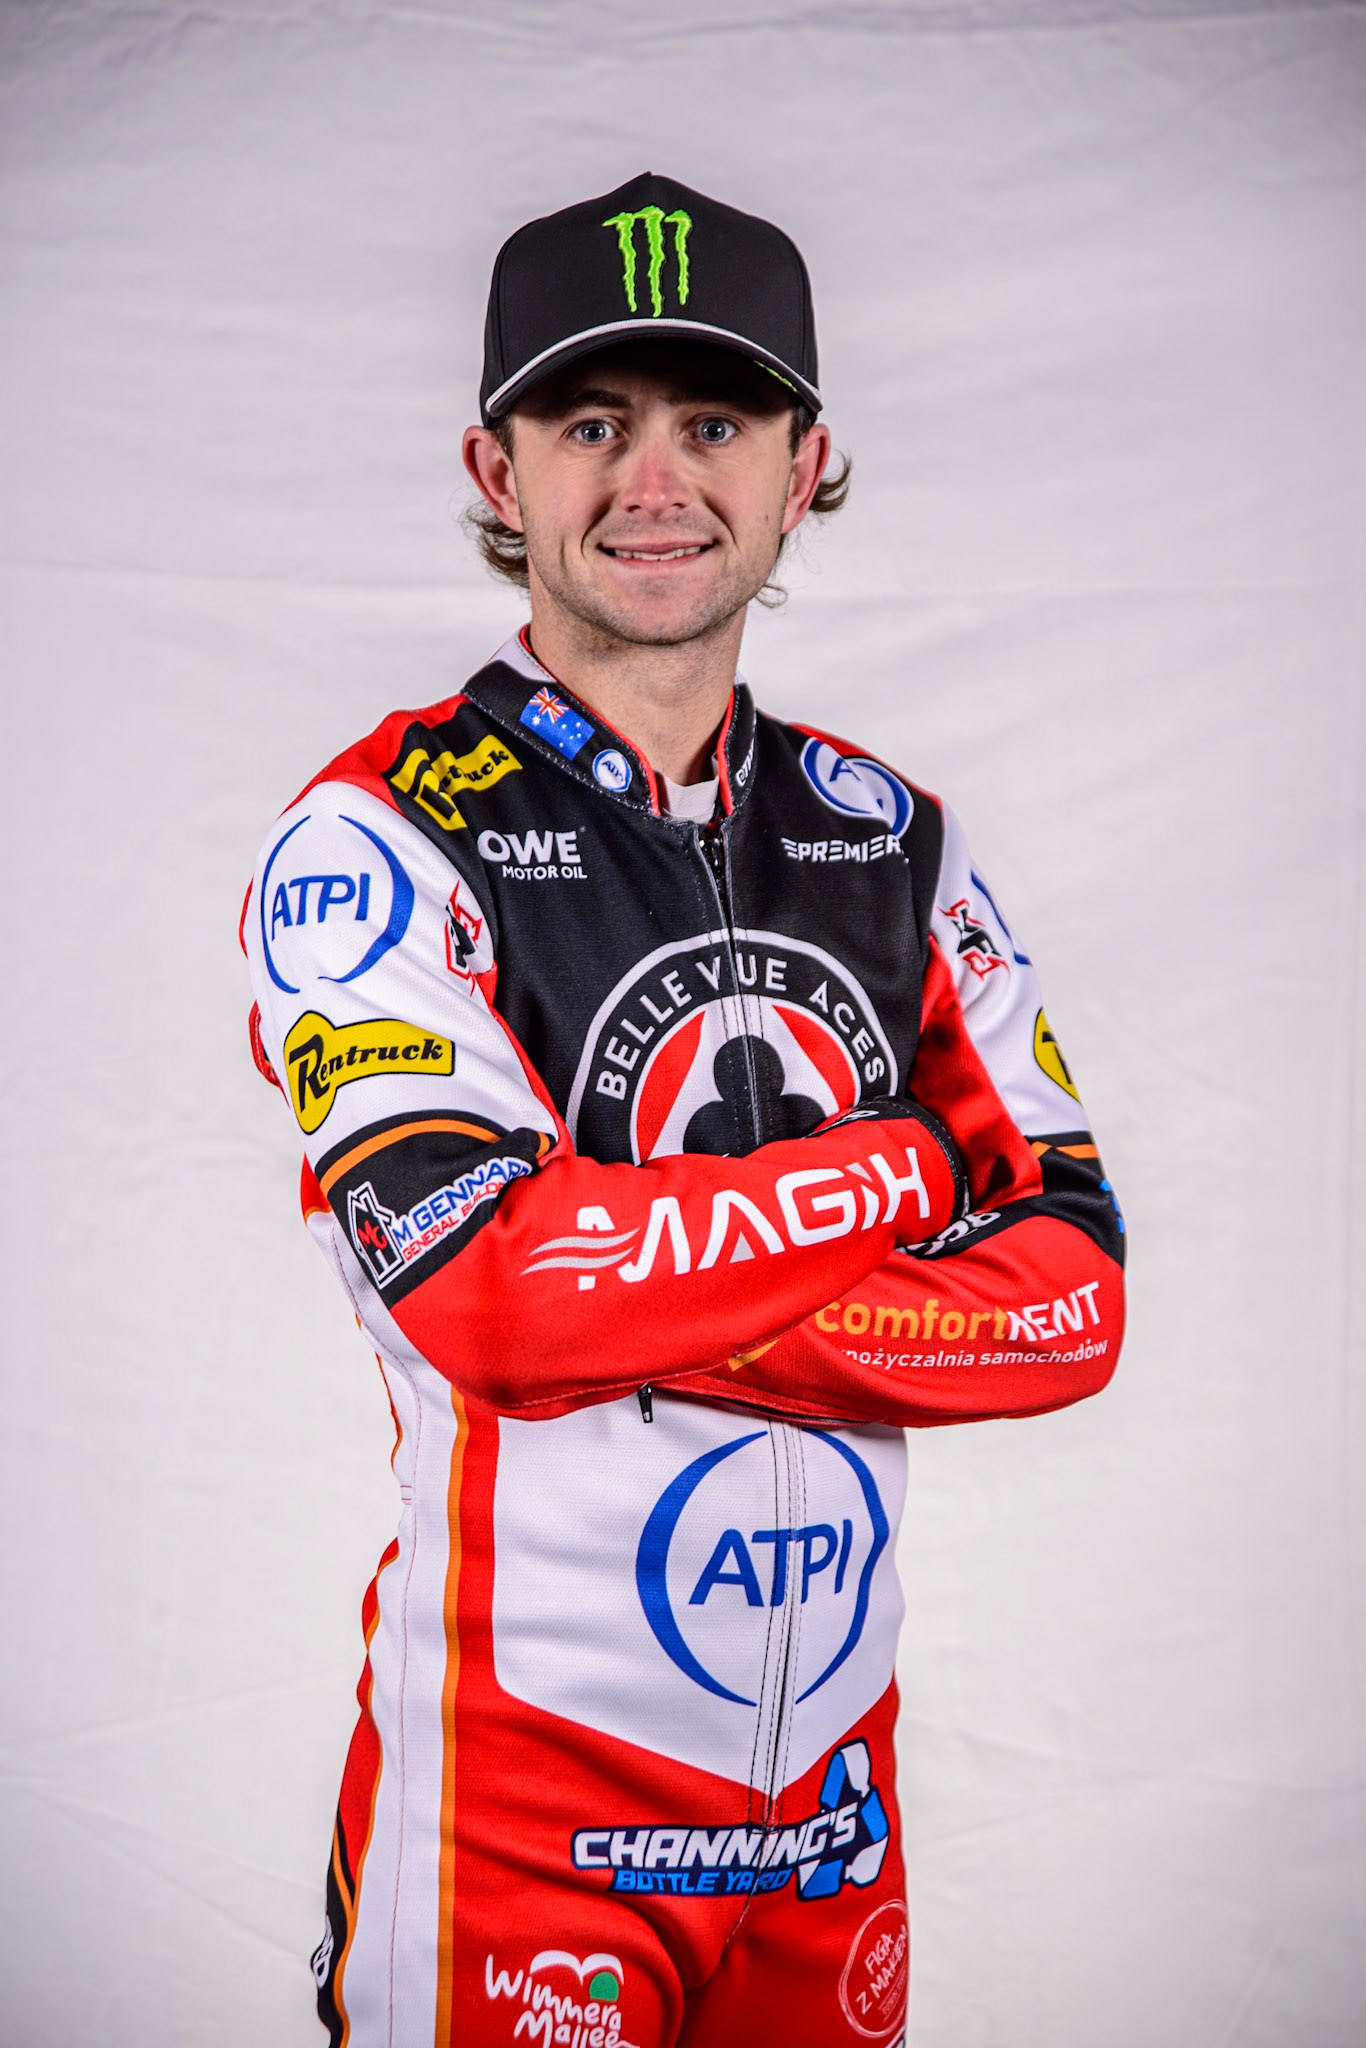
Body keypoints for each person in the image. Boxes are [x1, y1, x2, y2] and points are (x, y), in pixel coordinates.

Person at [243, 171, 1125, 2048]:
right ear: (498, 470)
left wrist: (633, 1303)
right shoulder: (378, 833)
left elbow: (1071, 1299)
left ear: (804, 463)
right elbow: (485, 1294)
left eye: (714, 422)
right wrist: (889, 1179)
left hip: (831, 1813)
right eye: (593, 425)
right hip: (524, 1805)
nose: (657, 482)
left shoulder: (889, 839)